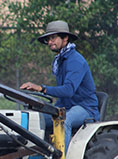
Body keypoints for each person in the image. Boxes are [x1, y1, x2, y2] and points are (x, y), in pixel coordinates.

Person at [20, 20, 100, 151]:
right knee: (34, 118)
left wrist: (42, 88)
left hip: (85, 108)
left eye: (53, 38)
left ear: (65, 38)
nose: (50, 42)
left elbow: (68, 91)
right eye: (48, 39)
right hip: (66, 106)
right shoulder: (60, 60)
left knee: (64, 120)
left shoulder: (75, 60)